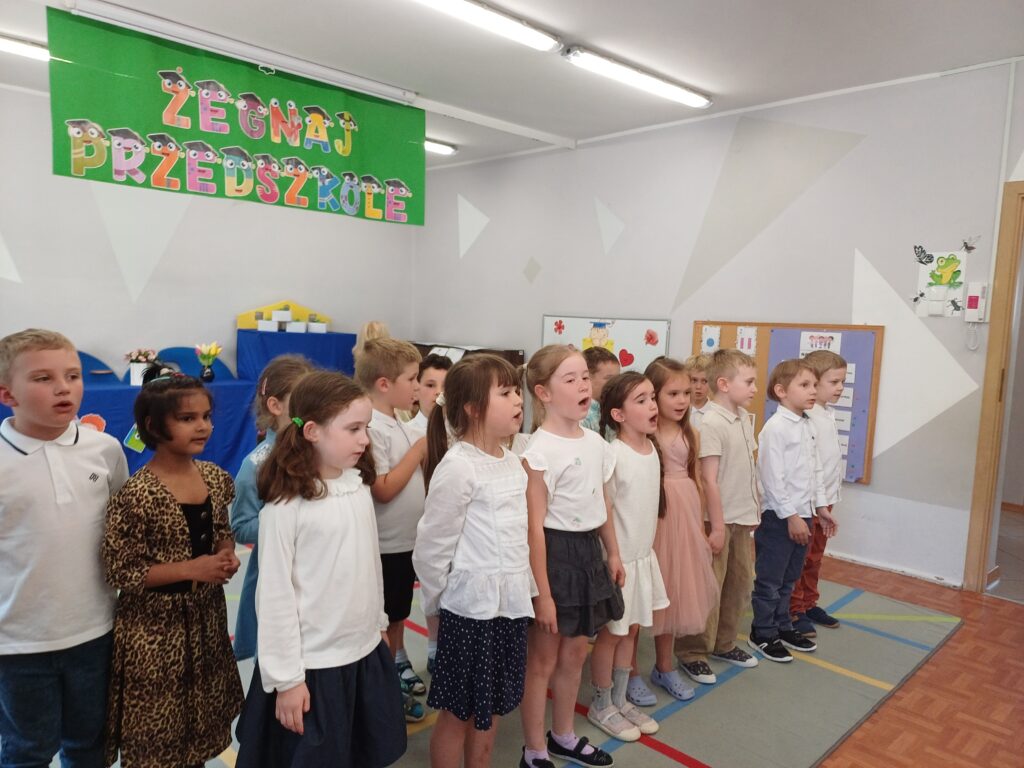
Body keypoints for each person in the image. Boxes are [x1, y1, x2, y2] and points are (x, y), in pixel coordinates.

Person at [236, 371, 406, 767]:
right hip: (312, 668)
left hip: (362, 653)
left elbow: (370, 567)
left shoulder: (356, 487)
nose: (365, 440)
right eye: (353, 429)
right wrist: (287, 681)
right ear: (312, 431)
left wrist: (379, 624)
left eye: (366, 428)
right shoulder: (285, 508)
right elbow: (274, 597)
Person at [0, 329, 128, 768]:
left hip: (95, 634)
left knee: (89, 746)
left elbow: (122, 529)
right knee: (27, 750)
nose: (63, 388)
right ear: (6, 394)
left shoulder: (104, 450)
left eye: (73, 376)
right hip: (17, 645)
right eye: (43, 378)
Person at [103, 372, 243, 767]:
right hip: (154, 632)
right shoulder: (138, 495)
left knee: (197, 728)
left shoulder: (215, 478)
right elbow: (121, 570)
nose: (203, 426)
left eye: (206, 416)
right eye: (187, 418)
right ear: (153, 426)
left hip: (205, 621)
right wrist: (192, 569)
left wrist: (225, 554)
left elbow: (222, 530)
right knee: (156, 736)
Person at [413, 354, 533, 768]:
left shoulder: (513, 462)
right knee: (457, 714)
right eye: (506, 392)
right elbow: (431, 549)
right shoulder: (459, 467)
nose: (518, 399)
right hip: (469, 614)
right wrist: (440, 604)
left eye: (517, 390)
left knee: (493, 707)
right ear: (472, 408)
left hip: (509, 608)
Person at [519, 345, 624, 768]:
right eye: (570, 379)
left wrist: (613, 552)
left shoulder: (597, 443)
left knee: (575, 653)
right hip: (553, 554)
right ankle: (534, 749)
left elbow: (602, 503)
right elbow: (534, 528)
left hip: (588, 553)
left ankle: (562, 735)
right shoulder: (538, 451)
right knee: (542, 660)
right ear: (543, 393)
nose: (583, 385)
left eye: (585, 377)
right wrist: (543, 593)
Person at [674, 349, 761, 686]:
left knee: (738, 585)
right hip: (718, 522)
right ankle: (692, 651)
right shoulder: (711, 424)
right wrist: (717, 526)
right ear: (724, 384)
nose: (754, 388)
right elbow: (708, 480)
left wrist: (753, 509)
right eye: (749, 382)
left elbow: (747, 470)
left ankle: (724, 643)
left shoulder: (743, 419)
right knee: (707, 589)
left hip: (740, 519)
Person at [587, 372, 666, 740]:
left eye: (652, 397)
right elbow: (605, 510)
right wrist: (614, 556)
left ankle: (620, 698)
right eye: (641, 400)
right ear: (618, 415)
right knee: (612, 634)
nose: (652, 405)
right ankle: (601, 703)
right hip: (619, 561)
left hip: (642, 556)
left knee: (632, 630)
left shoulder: (652, 450)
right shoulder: (614, 455)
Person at [355, 337, 429, 719]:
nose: (417, 387)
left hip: (404, 543)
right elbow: (382, 488)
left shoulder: (396, 421)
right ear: (384, 384)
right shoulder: (373, 425)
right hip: (386, 546)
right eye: (412, 379)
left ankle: (389, 681)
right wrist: (418, 451)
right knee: (384, 621)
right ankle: (381, 693)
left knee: (397, 617)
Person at [749, 359, 836, 662]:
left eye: (814, 385)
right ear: (781, 391)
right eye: (805, 385)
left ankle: (783, 625)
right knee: (770, 581)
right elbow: (772, 478)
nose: (813, 391)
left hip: (805, 515)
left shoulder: (807, 424)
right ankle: (762, 631)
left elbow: (815, 470)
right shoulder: (776, 428)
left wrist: (820, 506)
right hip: (780, 518)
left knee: (790, 578)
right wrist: (791, 516)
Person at [231, 354, 316, 661]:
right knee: (279, 660)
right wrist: (290, 521)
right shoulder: (255, 465)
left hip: (316, 574)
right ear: (275, 406)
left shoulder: (321, 453)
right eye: (301, 400)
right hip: (276, 577)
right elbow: (241, 526)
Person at [408, 353, 452, 435]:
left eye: (445, 386)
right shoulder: (406, 434)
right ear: (416, 390)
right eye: (430, 385)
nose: (439, 392)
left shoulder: (462, 434)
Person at [580, 347, 619, 435]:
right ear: (587, 378)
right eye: (609, 378)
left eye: (618, 378)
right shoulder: (582, 417)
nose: (616, 383)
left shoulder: (613, 411)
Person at [683, 353, 712, 428]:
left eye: (704, 381)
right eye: (694, 380)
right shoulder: (678, 409)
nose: (698, 387)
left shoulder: (716, 413)